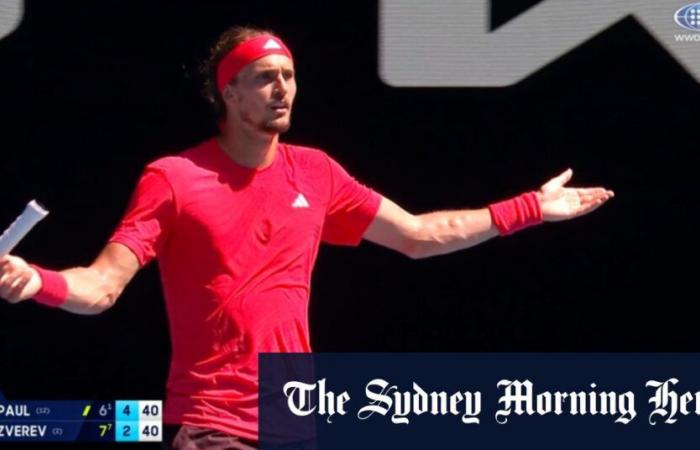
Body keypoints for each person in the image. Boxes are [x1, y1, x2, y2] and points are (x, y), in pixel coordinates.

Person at [0, 26, 613, 449]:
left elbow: (424, 234)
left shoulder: (316, 172)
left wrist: (531, 207)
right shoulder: (174, 178)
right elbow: (102, 286)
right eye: (265, 77)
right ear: (228, 91)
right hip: (213, 424)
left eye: (289, 75)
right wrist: (37, 282)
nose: (283, 88)